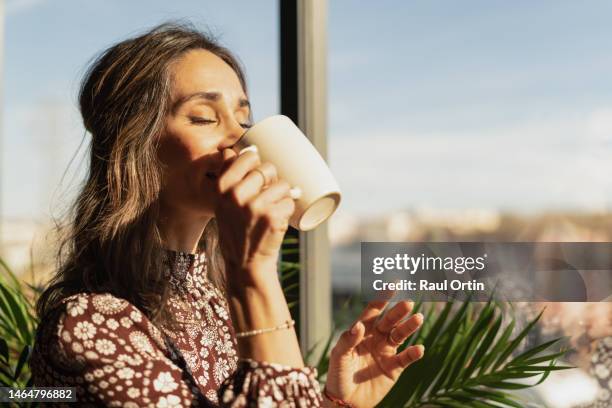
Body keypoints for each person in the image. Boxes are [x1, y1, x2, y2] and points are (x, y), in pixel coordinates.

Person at [30, 21, 425, 407]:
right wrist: (253, 272)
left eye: (243, 119)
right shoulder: (89, 325)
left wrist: (335, 402)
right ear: (135, 144)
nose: (239, 138)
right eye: (204, 117)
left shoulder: (214, 298)